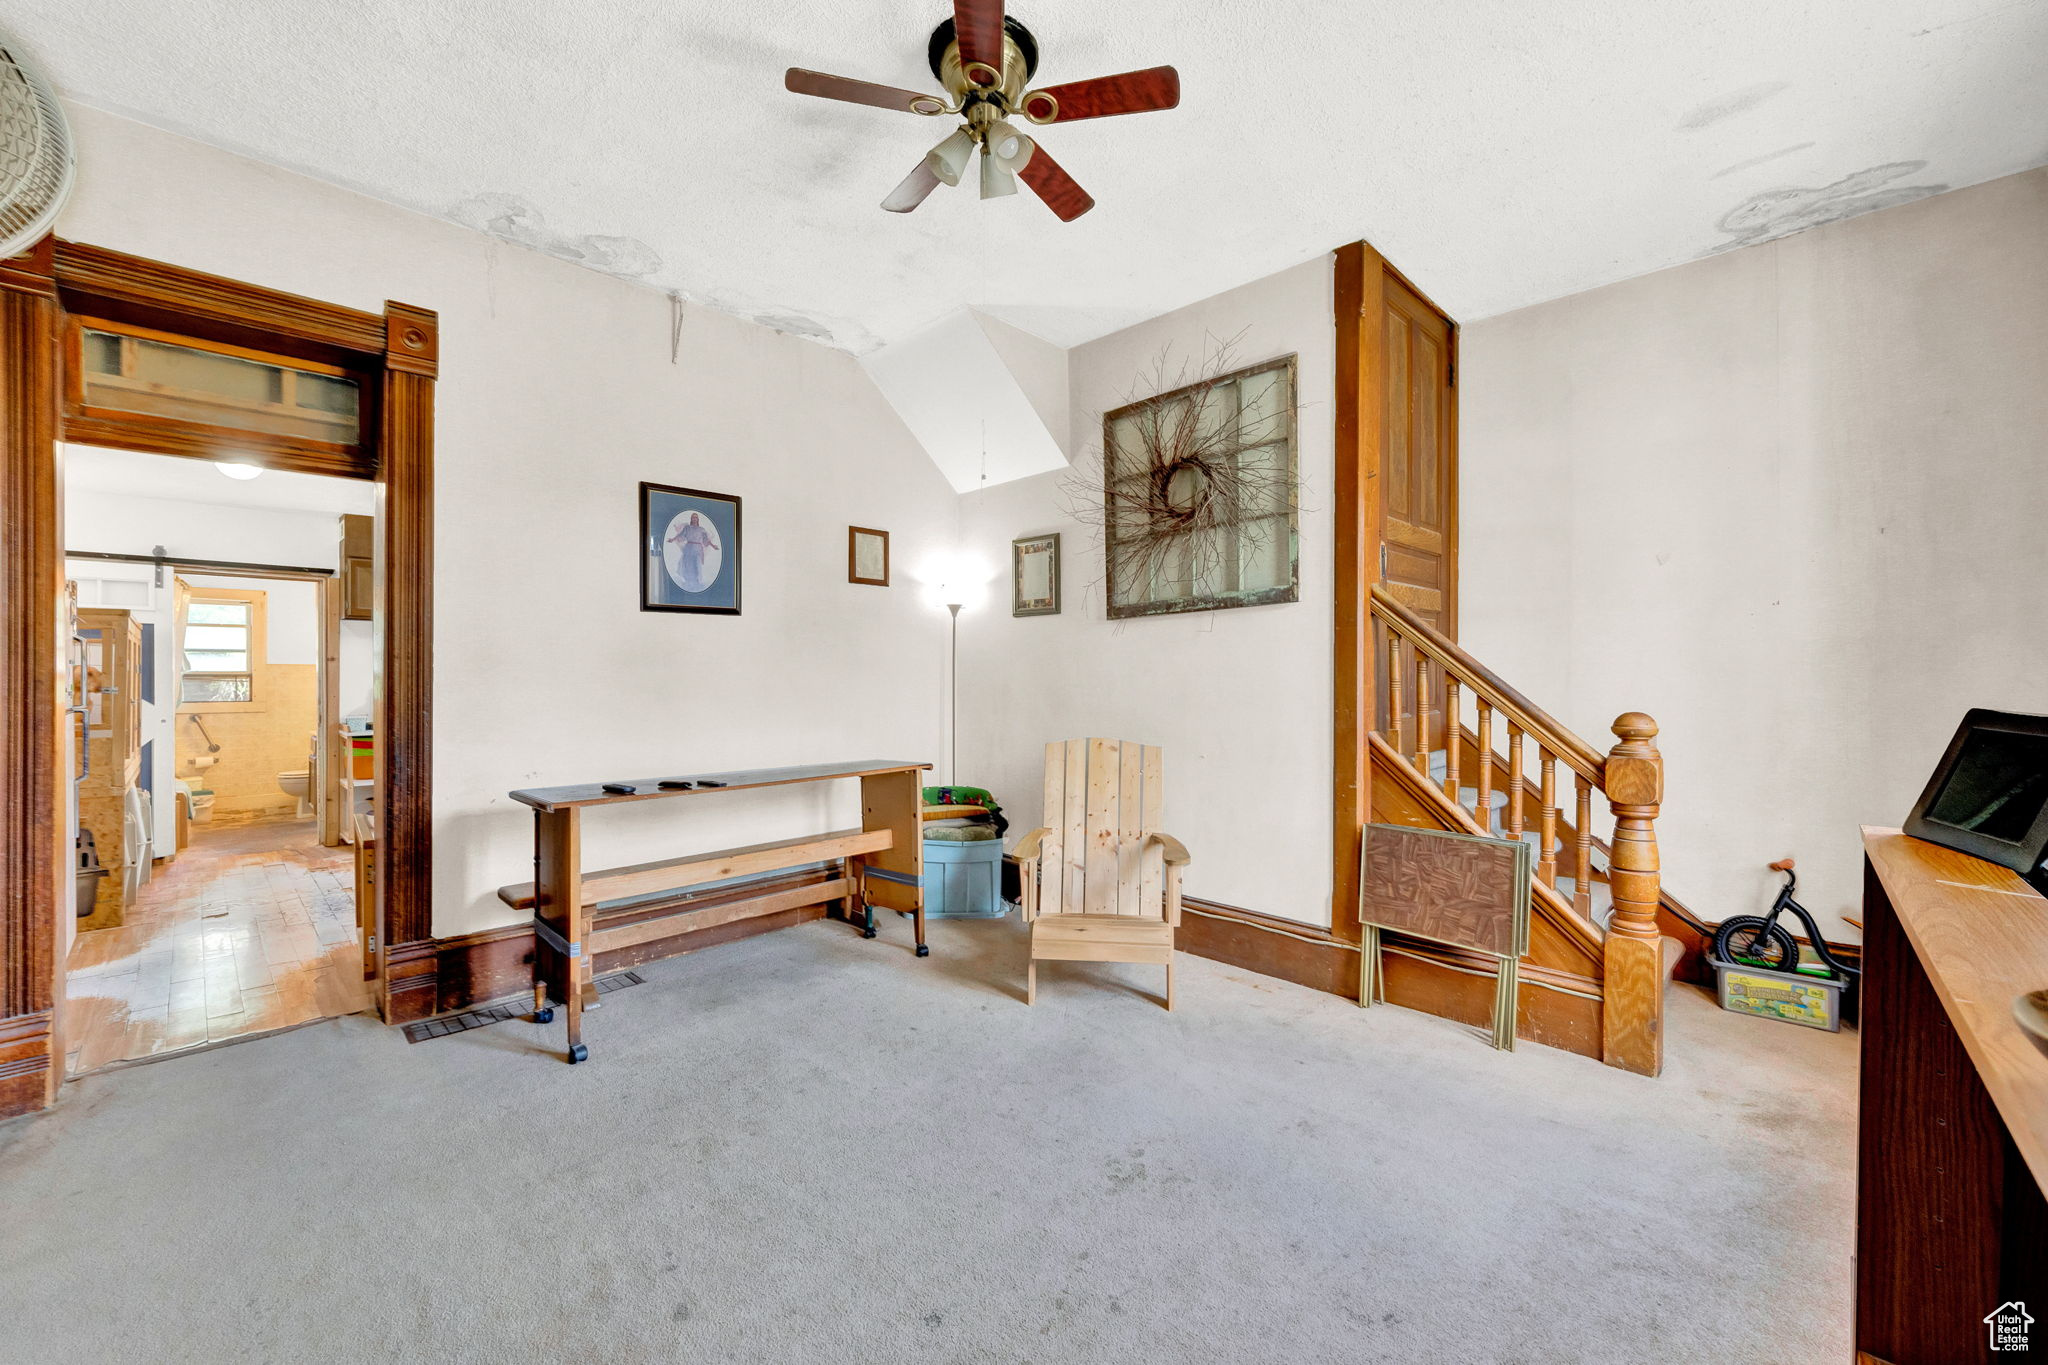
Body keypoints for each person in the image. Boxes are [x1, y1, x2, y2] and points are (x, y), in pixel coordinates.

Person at [666, 512, 717, 592]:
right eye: (693, 517)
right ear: (691, 519)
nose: (694, 518)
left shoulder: (701, 529)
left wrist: (713, 545)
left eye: (696, 517)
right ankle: (688, 583)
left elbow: (706, 540)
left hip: (697, 549)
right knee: (688, 565)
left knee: (697, 566)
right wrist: (672, 539)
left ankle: (697, 583)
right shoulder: (687, 528)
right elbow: (680, 535)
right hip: (688, 548)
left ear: (698, 519)